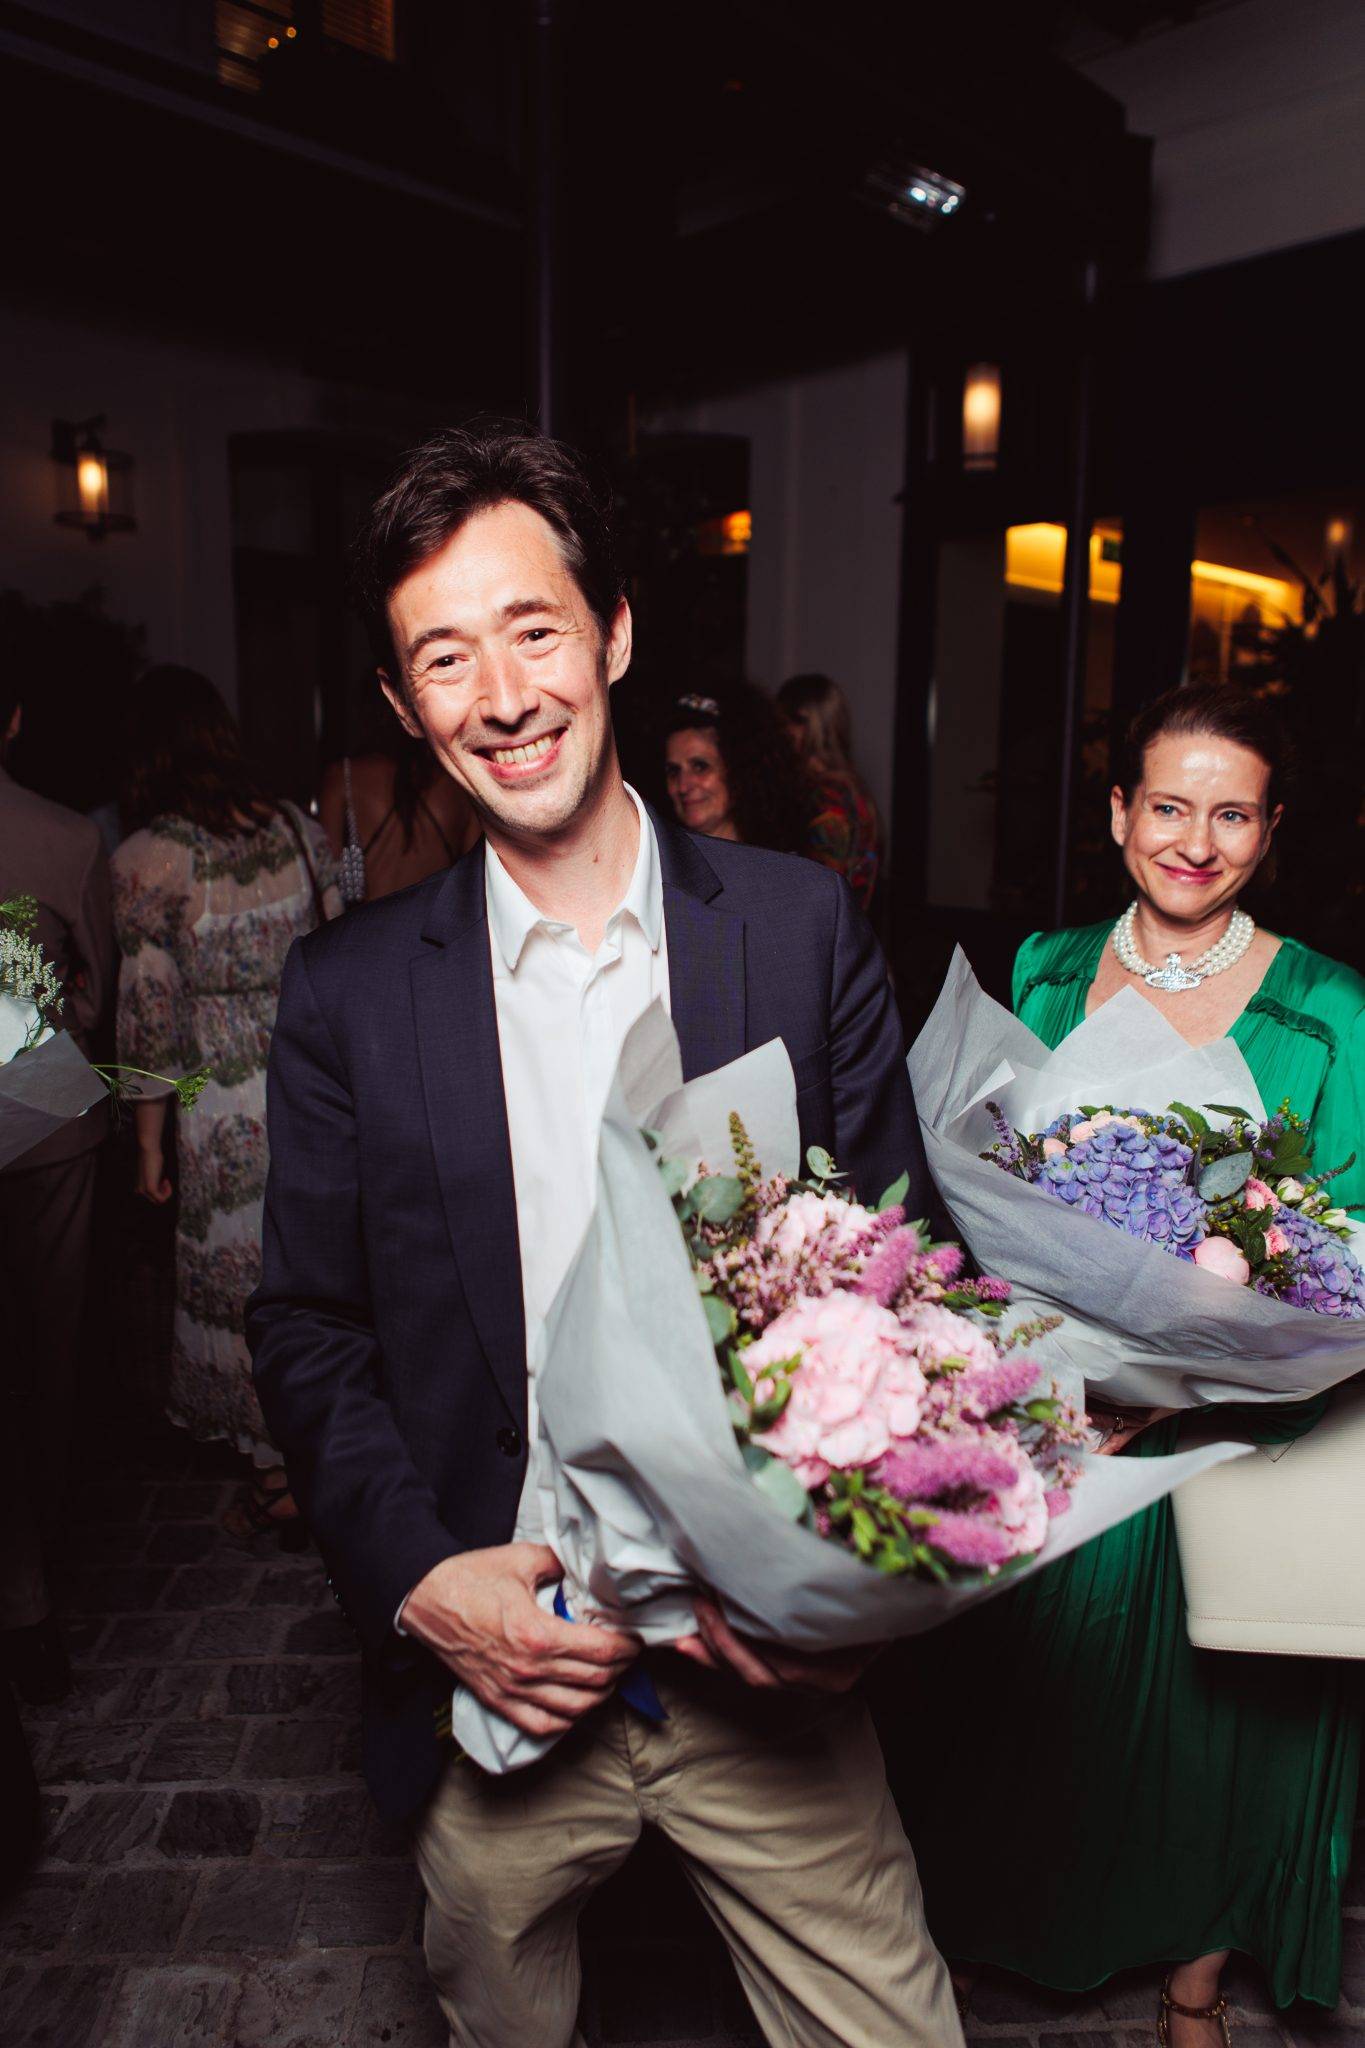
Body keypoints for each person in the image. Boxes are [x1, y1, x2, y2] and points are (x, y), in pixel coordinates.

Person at [247, 423, 960, 2048]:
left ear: (615, 633)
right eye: (445, 655)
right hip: (507, 1657)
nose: (501, 694)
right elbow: (307, 1326)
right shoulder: (349, 994)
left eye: (534, 629)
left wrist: (857, 1580)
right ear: (402, 702)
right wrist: (422, 1582)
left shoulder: (796, 927)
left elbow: (907, 1270)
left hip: (753, 1662)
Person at [902, 684, 1364, 2045]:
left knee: (1226, 1717)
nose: (1195, 843)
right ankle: (995, 1924)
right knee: (1027, 1692)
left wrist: (1214, 1345)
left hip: (1237, 1424)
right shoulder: (1044, 969)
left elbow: (1343, 1238)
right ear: (1118, 813)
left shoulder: (1330, 1013)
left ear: (1270, 829)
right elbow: (983, 1179)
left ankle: (1195, 1973)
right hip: (1058, 1408)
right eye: (1168, 806)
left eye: (1233, 816)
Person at [111, 667, 339, 1544]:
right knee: (313, 1274)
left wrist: (147, 1148)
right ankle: (325, 1457)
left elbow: (150, 1015)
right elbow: (343, 948)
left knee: (245, 1282)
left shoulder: (147, 860)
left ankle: (278, 1474)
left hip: (219, 1111)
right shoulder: (296, 830)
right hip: (313, 1088)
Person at [0, 674, 115, 1703]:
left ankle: (25, 1590)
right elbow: (93, 994)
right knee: (46, 1352)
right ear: (14, 721)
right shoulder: (66, 836)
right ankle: (32, 1591)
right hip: (39, 1106)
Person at [318, 722, 479, 903]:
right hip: (435, 916)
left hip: (371, 916)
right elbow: (473, 878)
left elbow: (325, 868)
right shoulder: (462, 786)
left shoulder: (344, 776)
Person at [663, 678, 811, 853]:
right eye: (674, 771)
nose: (683, 786)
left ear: (739, 770)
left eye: (700, 767)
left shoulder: (779, 863)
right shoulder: (660, 861)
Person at [778, 671, 881, 912]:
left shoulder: (827, 797)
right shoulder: (849, 788)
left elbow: (822, 892)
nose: (778, 732)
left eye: (782, 722)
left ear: (804, 724)